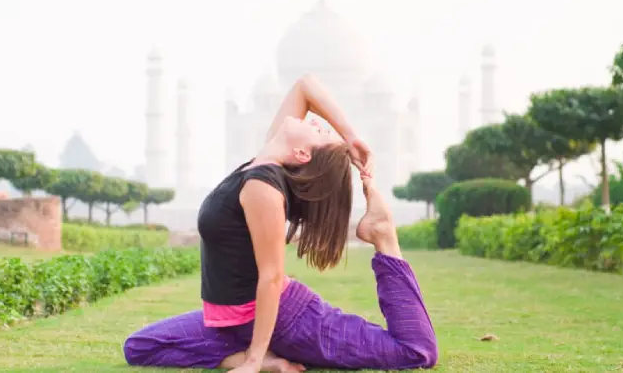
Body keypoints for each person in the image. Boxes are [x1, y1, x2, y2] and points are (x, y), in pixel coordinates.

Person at [123, 74, 438, 372]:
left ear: (301, 152)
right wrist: (350, 136)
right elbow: (305, 86)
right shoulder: (261, 163)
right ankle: (254, 355)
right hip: (231, 323)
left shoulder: (264, 188)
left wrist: (255, 361)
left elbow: (272, 276)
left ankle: (384, 235)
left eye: (319, 131)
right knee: (140, 346)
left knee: (413, 351)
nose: (315, 121)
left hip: (292, 321)